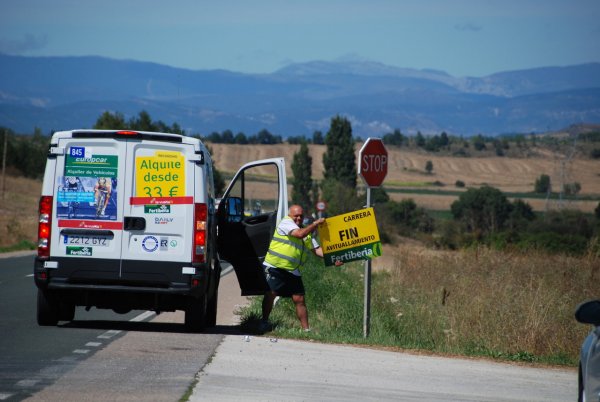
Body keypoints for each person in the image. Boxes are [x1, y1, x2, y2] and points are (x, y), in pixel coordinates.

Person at [260, 204, 341, 332]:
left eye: (301, 216)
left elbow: (317, 250)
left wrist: (333, 258)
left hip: (292, 269)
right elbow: (299, 234)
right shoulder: (285, 223)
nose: (298, 218)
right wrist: (315, 224)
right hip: (275, 266)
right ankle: (264, 321)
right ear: (289, 215)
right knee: (271, 294)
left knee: (299, 299)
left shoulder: (306, 232)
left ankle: (306, 330)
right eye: (295, 216)